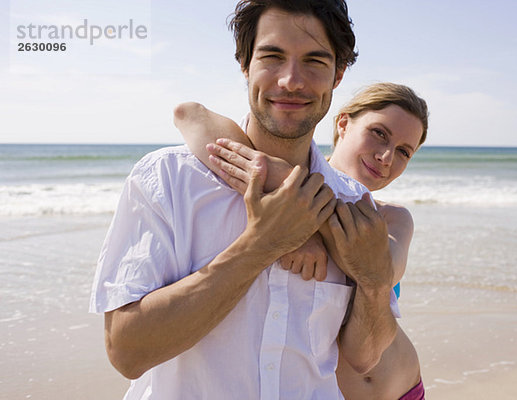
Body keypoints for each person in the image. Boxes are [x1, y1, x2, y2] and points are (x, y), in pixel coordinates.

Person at [90, 1, 402, 399]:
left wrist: (374, 282)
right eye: (272, 57)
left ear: (338, 75)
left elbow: (365, 356)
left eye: (315, 61)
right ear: (245, 64)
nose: (291, 81)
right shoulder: (169, 178)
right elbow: (126, 352)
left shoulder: (353, 204)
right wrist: (261, 245)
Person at [174, 82, 428, 400]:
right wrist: (293, 212)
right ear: (343, 124)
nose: (387, 156)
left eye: (405, 151)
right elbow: (191, 114)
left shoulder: (394, 218)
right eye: (379, 133)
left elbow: (380, 269)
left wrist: (305, 220)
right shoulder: (297, 180)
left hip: (405, 389)